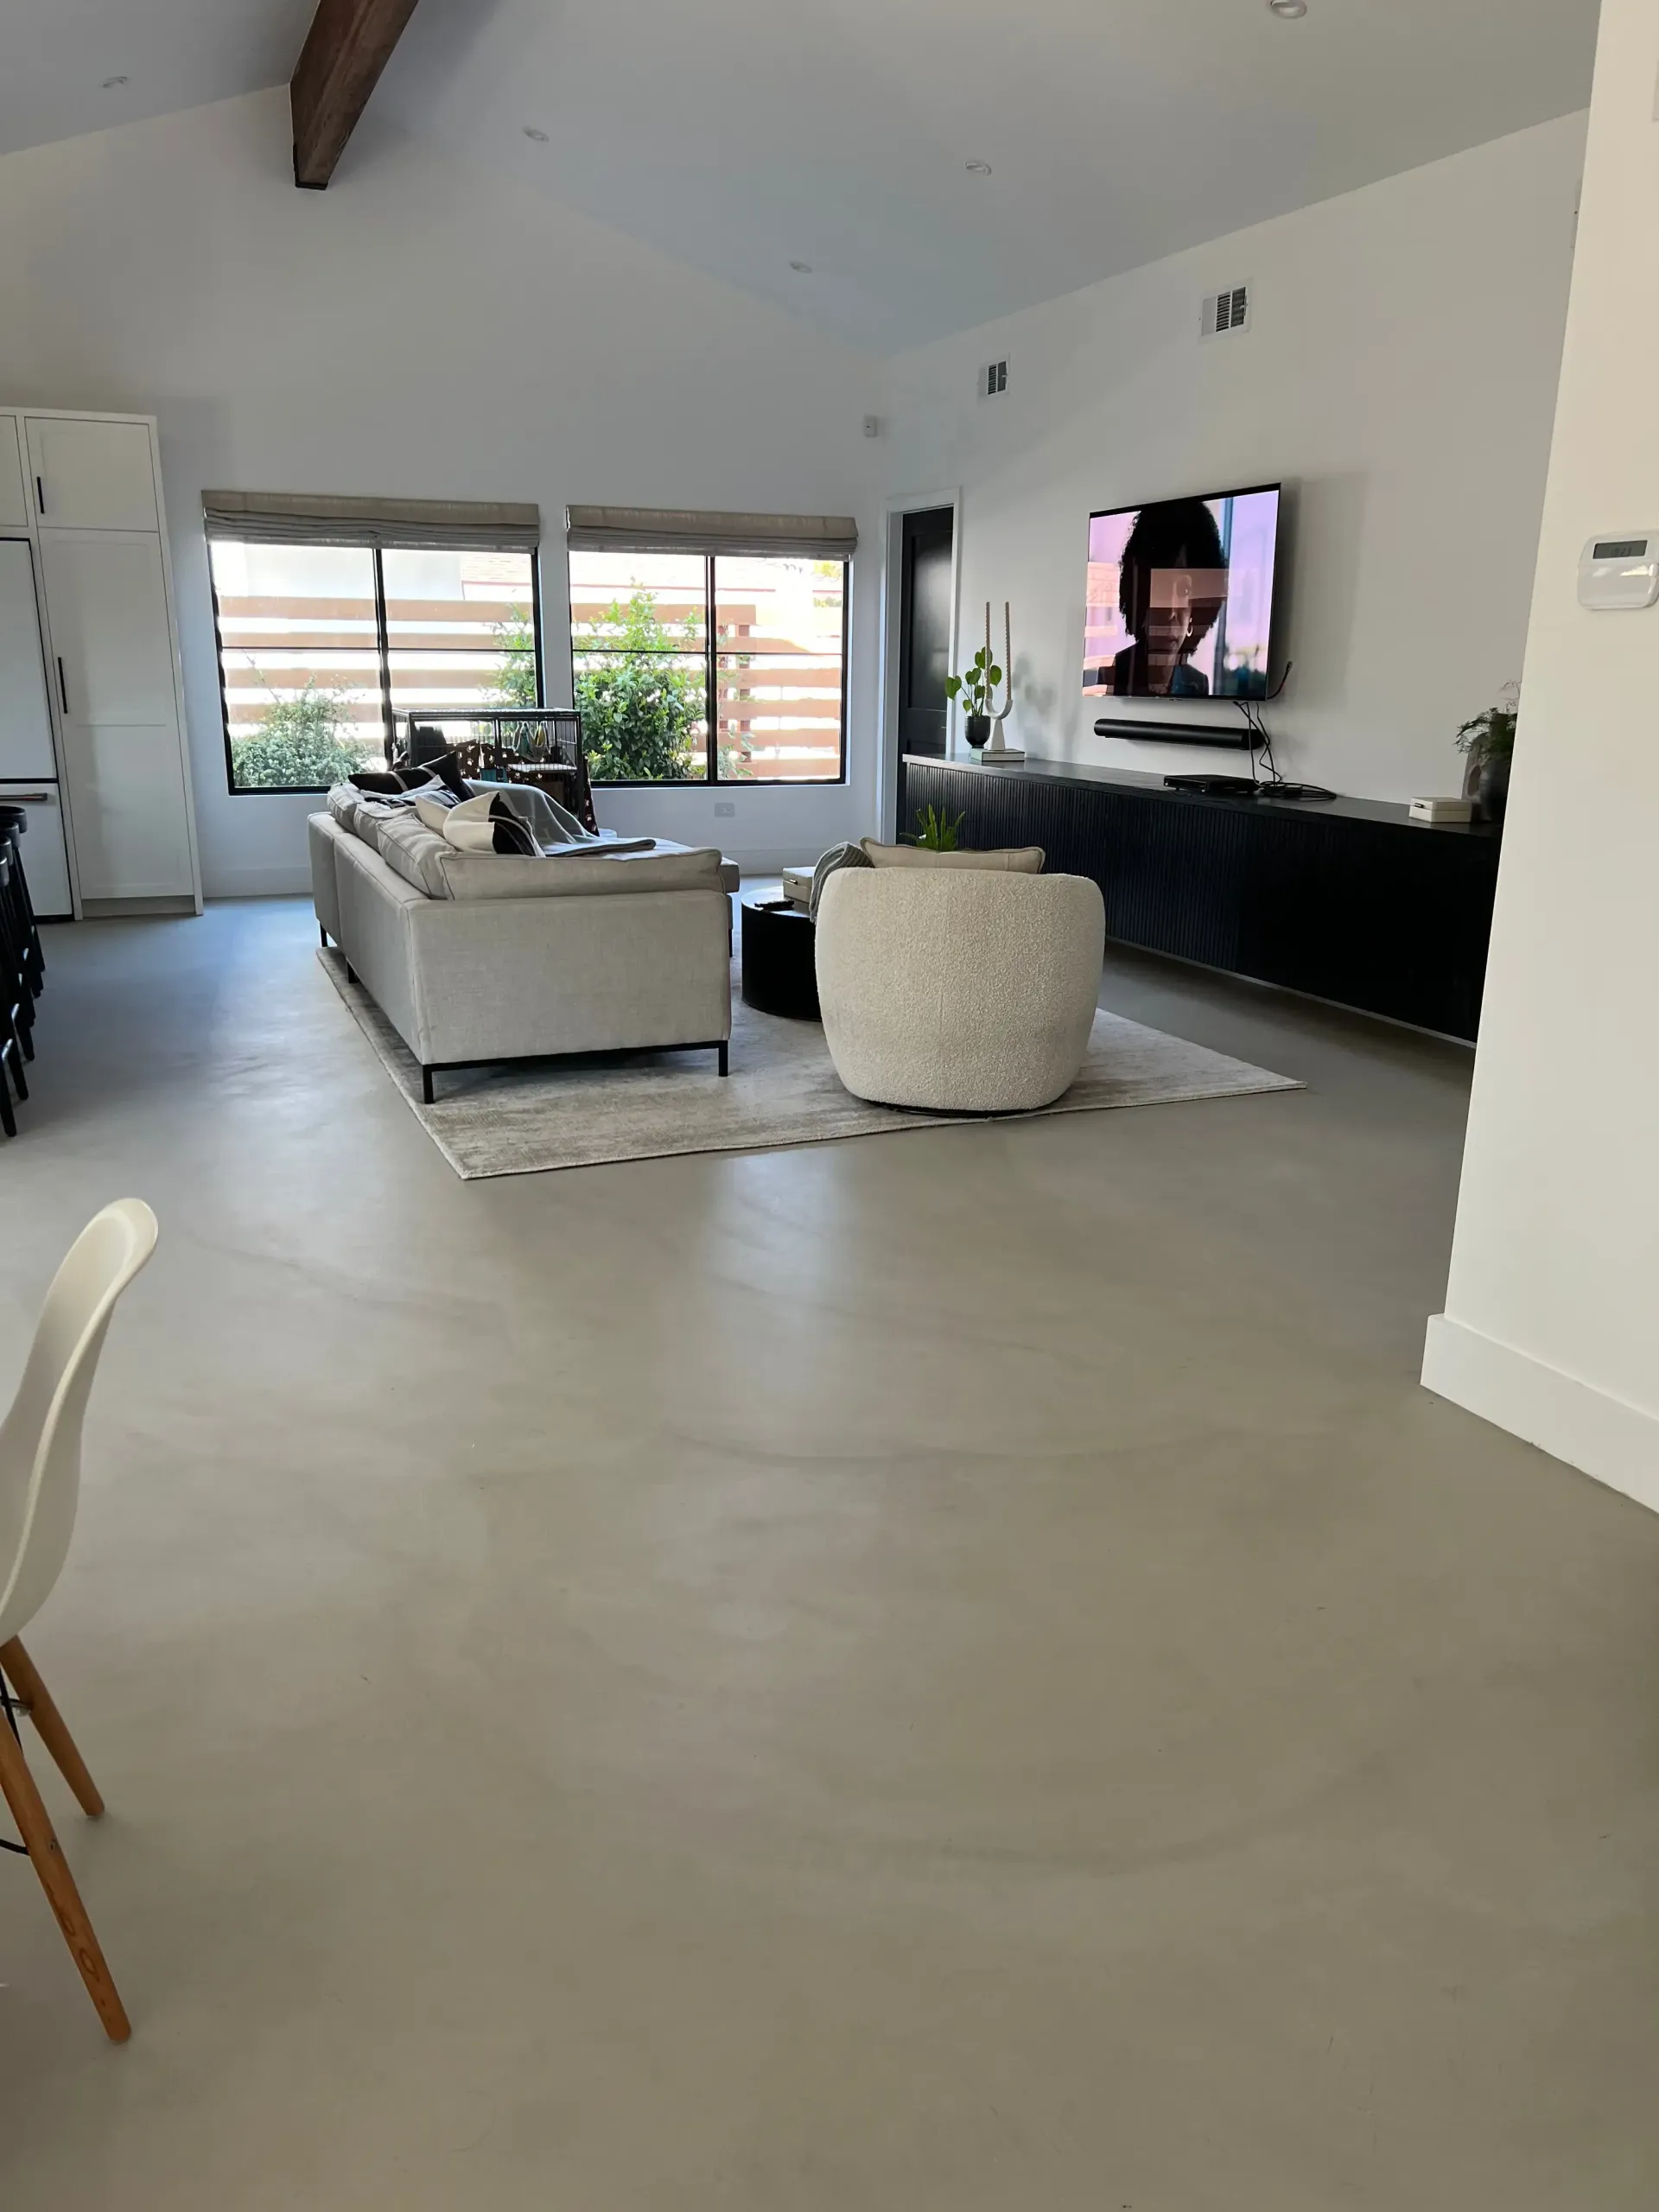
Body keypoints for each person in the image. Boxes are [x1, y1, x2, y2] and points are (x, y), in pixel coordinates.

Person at [1096, 499, 1229, 698]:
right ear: (1140, 598)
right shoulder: (1114, 672)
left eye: (1184, 591)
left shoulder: (1198, 684)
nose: (1171, 612)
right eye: (1162, 589)